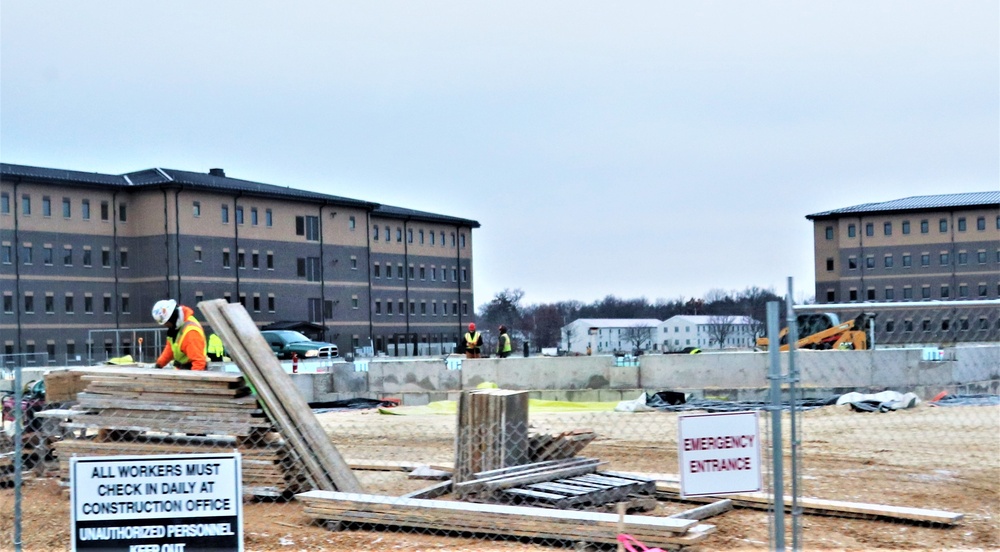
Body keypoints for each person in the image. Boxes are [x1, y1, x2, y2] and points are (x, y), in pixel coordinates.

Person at [151, 299, 207, 370]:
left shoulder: (191, 332)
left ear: (172, 318)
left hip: (190, 372)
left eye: (166, 323)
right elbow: (170, 348)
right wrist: (159, 364)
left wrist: (193, 380)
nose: (166, 325)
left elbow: (199, 363)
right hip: (182, 371)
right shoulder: (176, 329)